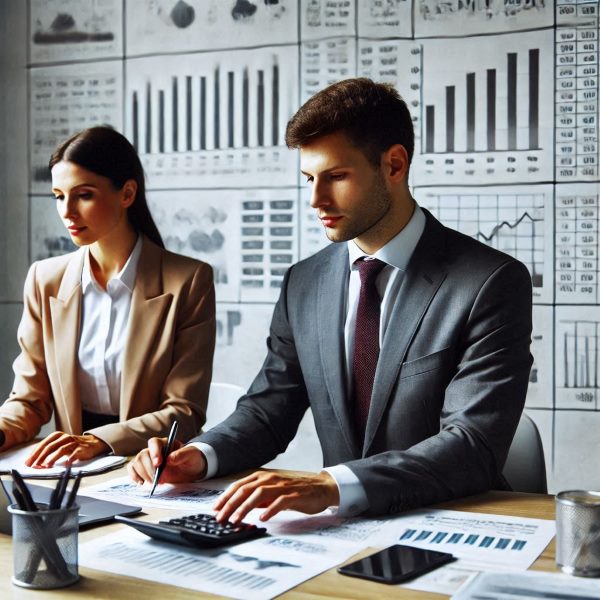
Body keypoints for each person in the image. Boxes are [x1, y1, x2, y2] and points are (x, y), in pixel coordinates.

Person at [128, 78, 533, 522]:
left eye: (336, 177)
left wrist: (330, 484)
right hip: (340, 531)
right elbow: (269, 410)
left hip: (452, 521)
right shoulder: (305, 282)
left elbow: (471, 445)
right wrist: (200, 455)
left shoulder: (490, 282)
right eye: (308, 178)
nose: (316, 199)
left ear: (394, 165)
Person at [0, 126, 216, 466]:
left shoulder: (188, 280)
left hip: (149, 469)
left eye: (83, 195)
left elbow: (183, 413)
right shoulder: (46, 279)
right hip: (68, 473)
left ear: (127, 193)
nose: (67, 211)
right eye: (59, 196)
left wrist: (97, 441)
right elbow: (30, 399)